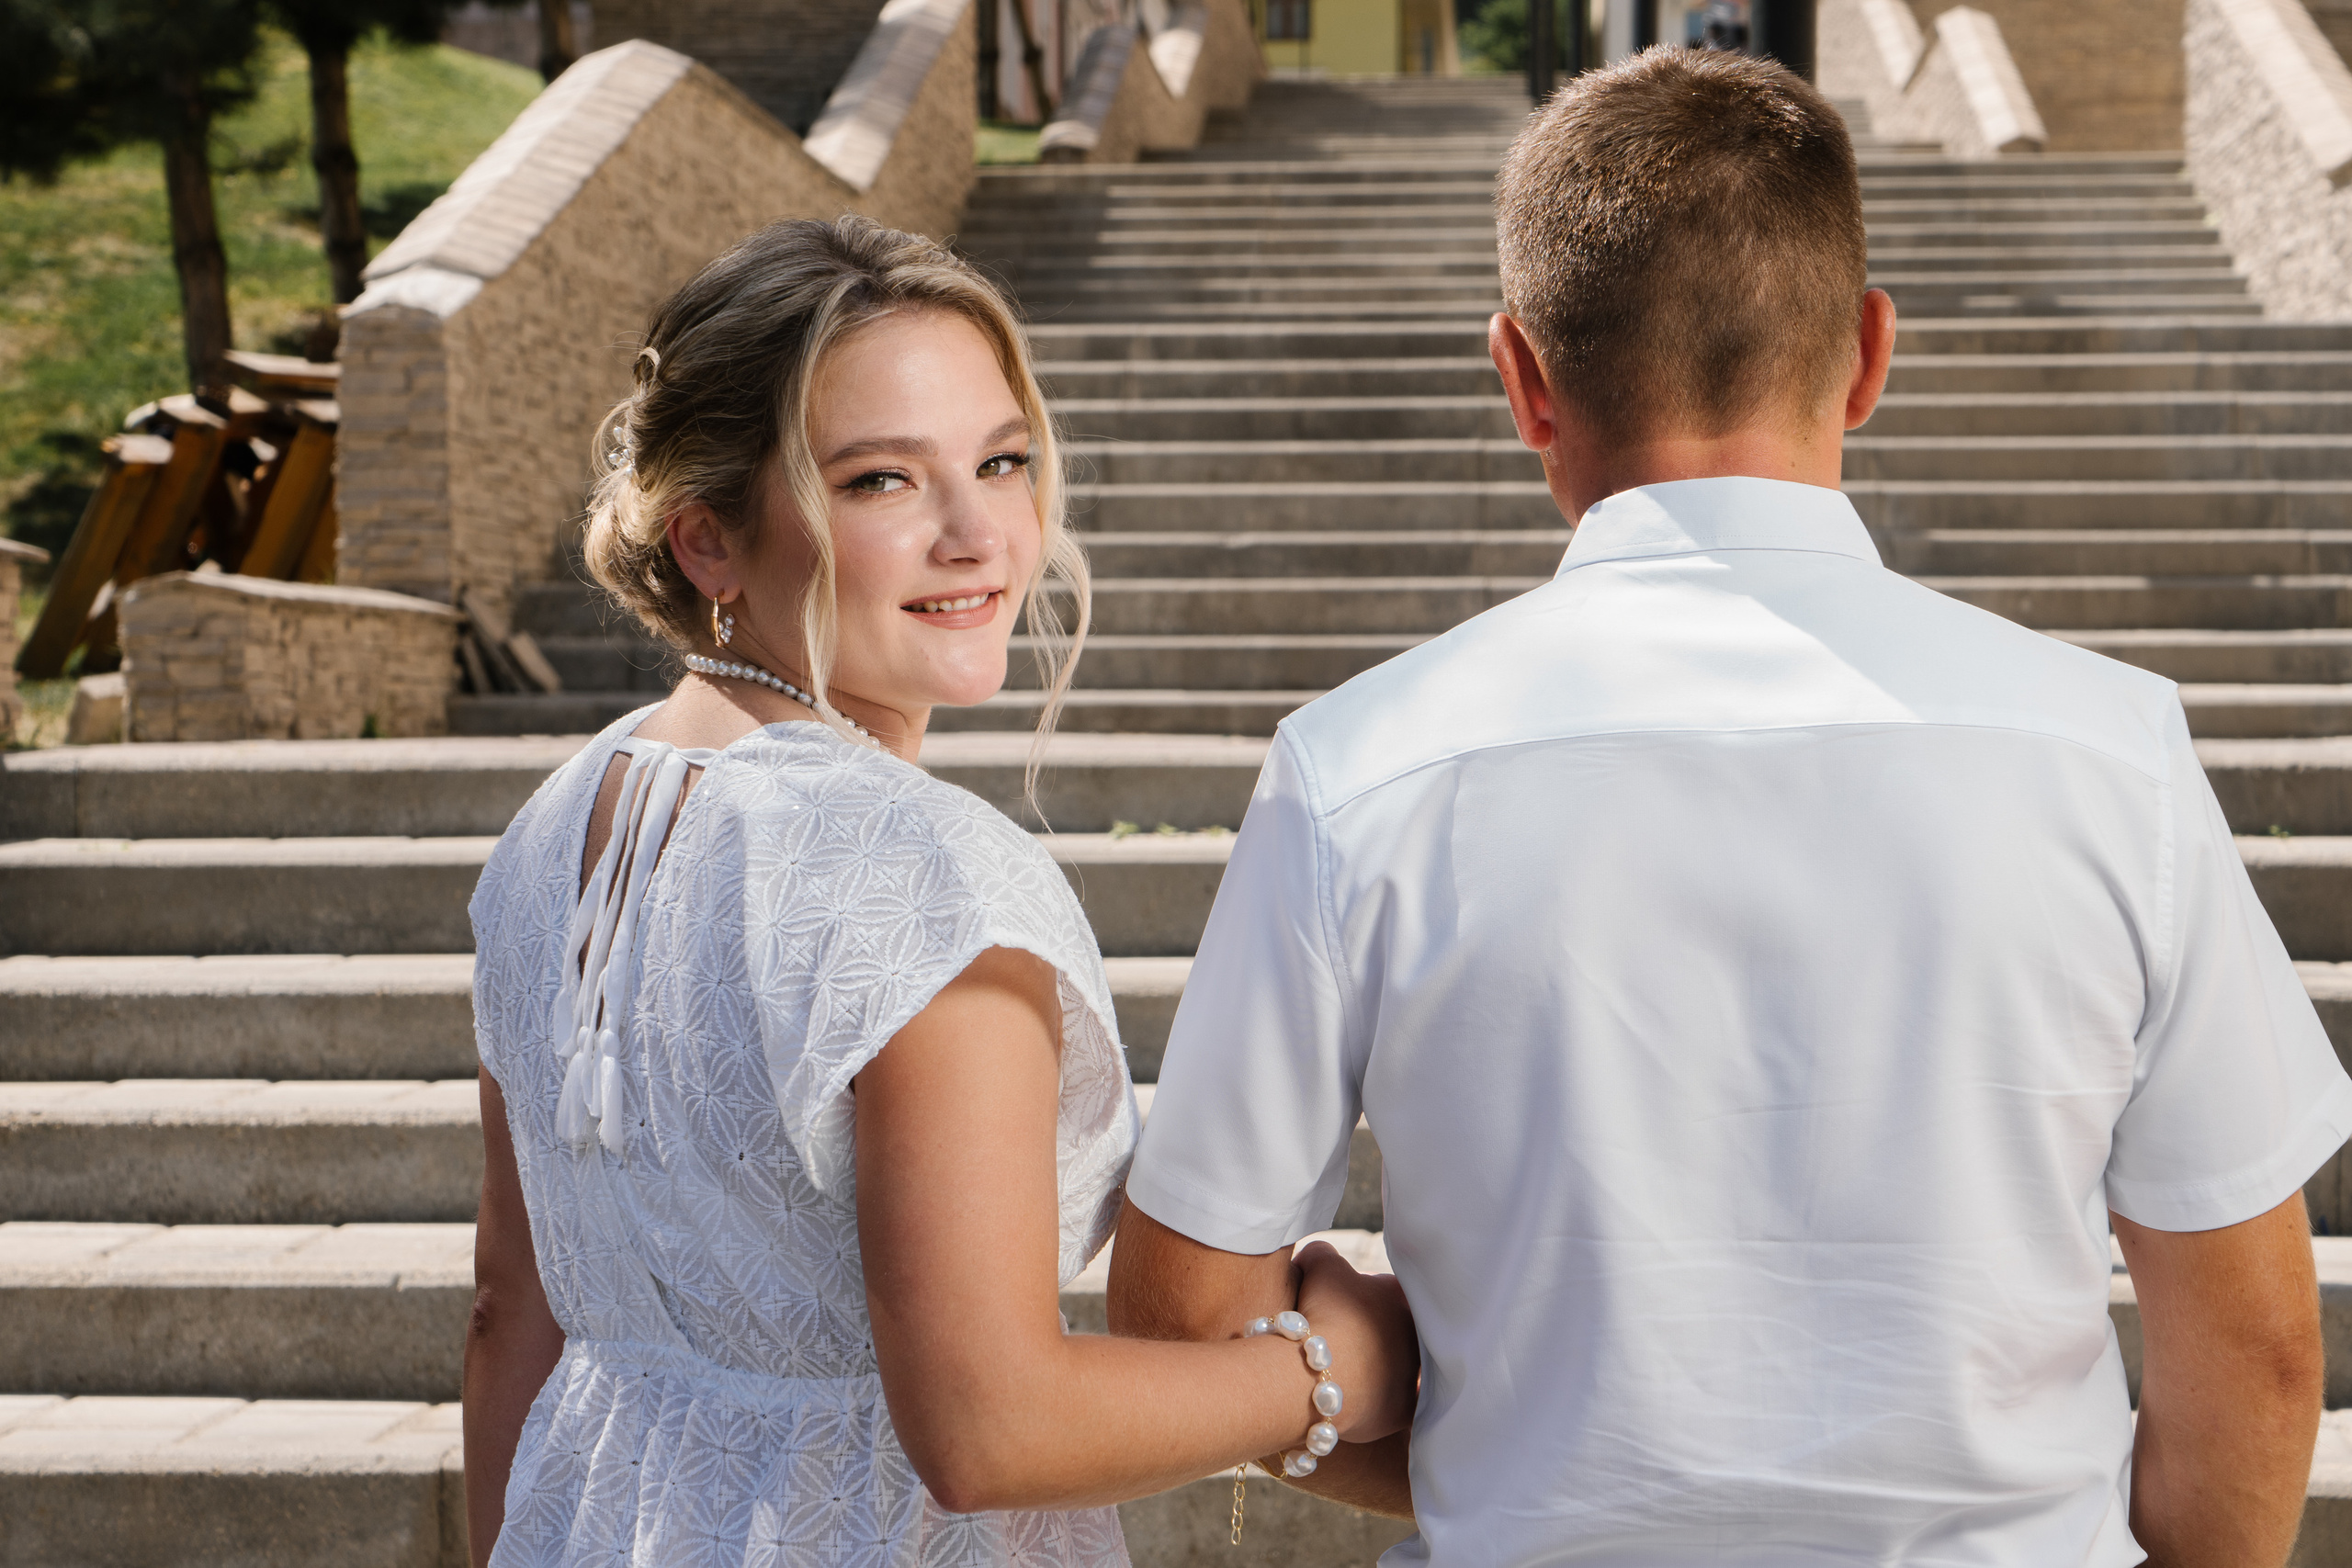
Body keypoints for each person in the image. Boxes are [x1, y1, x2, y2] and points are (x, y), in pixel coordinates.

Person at [1111, 47, 2352, 1568]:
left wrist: (1495, 1467)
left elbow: (1183, 1326)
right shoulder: (2112, 751)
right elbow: (2261, 1359)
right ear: (1870, 353)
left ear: (1522, 379)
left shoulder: (1358, 768)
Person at [460, 215, 1416, 1568]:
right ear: (708, 542)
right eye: (881, 482)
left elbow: (509, 1315)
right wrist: (1329, 1372)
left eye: (1002, 462)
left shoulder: (554, 828)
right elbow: (988, 1432)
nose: (978, 535)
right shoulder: (916, 873)